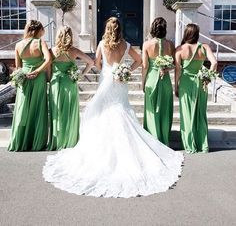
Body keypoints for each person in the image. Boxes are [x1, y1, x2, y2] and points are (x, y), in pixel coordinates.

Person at [43, 17, 184, 198]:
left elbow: (98, 63)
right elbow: (140, 60)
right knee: (121, 109)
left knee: (103, 111)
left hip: (107, 79)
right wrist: (126, 70)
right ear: (120, 29)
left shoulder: (102, 43)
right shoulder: (125, 44)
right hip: (120, 80)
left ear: (107, 29)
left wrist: (108, 70)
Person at [47, 26, 94, 151]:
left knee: (57, 111)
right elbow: (91, 62)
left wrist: (50, 79)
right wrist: (82, 74)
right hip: (70, 83)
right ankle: (70, 140)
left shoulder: (52, 51)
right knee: (69, 111)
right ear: (70, 36)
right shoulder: (74, 51)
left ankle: (57, 140)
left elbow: (48, 70)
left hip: (56, 84)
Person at [8, 20, 51, 151]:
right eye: (42, 29)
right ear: (38, 30)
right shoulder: (40, 42)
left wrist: (22, 76)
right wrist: (38, 71)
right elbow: (49, 60)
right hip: (38, 78)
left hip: (24, 78)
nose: (43, 32)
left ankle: (21, 142)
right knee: (38, 108)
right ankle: (36, 142)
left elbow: (18, 67)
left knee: (23, 108)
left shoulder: (18, 45)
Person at [175, 23, 217, 153]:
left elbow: (177, 71)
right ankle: (203, 145)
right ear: (197, 34)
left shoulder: (179, 49)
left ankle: (190, 145)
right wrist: (207, 77)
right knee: (200, 113)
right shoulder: (204, 47)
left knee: (187, 114)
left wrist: (175, 86)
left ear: (186, 34)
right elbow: (214, 63)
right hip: (201, 82)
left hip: (186, 83)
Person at [142, 17, 175, 146]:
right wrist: (166, 69)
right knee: (165, 110)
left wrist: (143, 82)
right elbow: (174, 65)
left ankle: (152, 140)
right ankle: (164, 138)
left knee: (151, 111)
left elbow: (145, 66)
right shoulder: (170, 44)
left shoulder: (147, 44)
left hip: (151, 79)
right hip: (165, 80)